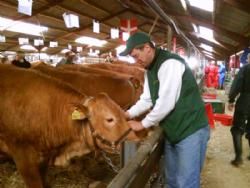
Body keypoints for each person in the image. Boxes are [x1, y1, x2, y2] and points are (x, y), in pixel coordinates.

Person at [120, 32, 210, 188]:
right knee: (172, 180)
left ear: (147, 48)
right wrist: (127, 114)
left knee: (186, 182)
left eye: (136, 55)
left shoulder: (169, 63)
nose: (136, 61)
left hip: (191, 130)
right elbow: (147, 99)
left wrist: (143, 124)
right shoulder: (149, 70)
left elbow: (165, 103)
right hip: (173, 130)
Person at [228, 53, 250, 167]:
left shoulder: (246, 69)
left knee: (237, 129)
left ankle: (238, 158)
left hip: (246, 100)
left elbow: (237, 85)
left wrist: (231, 99)